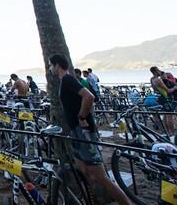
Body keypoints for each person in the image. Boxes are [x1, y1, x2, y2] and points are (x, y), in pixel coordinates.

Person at [49, 54, 130, 204]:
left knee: (100, 177)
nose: (50, 69)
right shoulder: (65, 81)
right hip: (76, 133)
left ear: (57, 65)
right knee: (85, 173)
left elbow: (89, 97)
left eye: (51, 65)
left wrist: (81, 117)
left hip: (84, 132)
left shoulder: (68, 79)